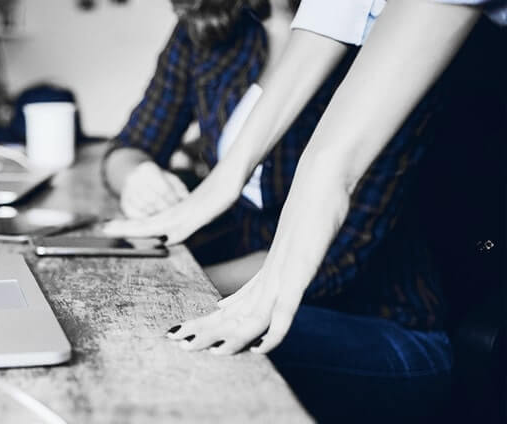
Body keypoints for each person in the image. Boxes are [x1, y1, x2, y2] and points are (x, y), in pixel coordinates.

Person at [103, 0, 498, 420]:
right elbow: (328, 19)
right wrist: (210, 185)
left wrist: (175, 285)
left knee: (172, 345)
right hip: (282, 285)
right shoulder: (232, 28)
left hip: (386, 319)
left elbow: (332, 184)